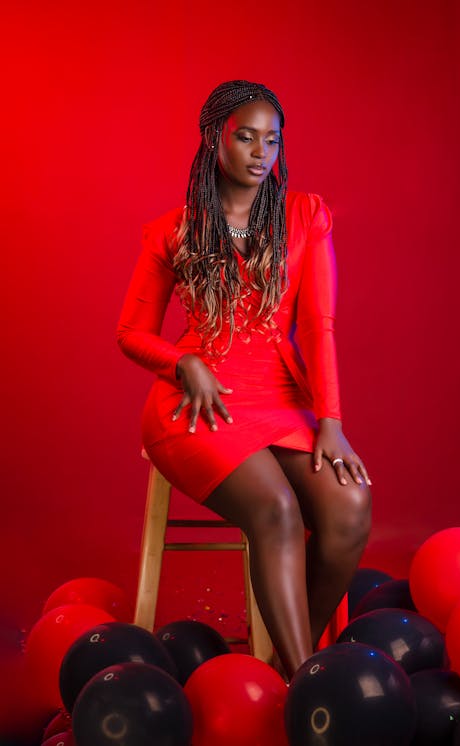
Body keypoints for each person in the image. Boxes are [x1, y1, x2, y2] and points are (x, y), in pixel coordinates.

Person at [117, 79, 372, 680]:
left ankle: (284, 668)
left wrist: (331, 423)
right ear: (215, 140)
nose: (262, 153)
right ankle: (310, 683)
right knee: (277, 511)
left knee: (350, 506)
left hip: (281, 400)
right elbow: (130, 332)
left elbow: (318, 328)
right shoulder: (172, 231)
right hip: (198, 408)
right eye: (247, 138)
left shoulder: (304, 217)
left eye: (273, 141)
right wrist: (184, 363)